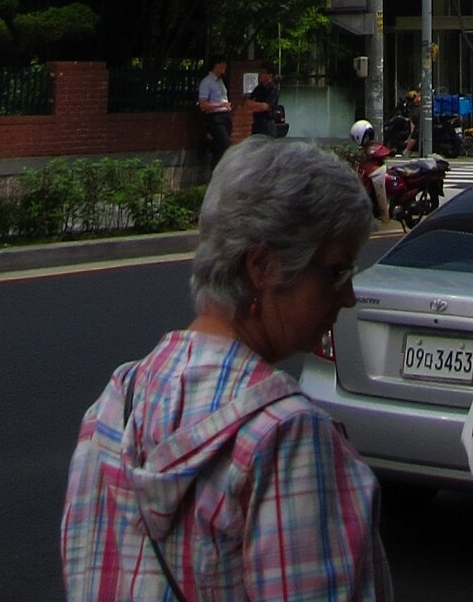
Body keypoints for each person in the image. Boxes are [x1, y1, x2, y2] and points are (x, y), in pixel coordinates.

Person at [63, 137, 391, 599]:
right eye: (337, 271)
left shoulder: (115, 406)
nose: (349, 296)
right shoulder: (287, 438)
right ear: (262, 266)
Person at [196, 58, 233, 176]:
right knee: (225, 143)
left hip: (225, 116)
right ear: (216, 65)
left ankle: (216, 172)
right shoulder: (207, 82)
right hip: (215, 117)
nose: (225, 66)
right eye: (223, 64)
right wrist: (220, 105)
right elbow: (203, 104)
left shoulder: (220, 81)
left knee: (220, 147)